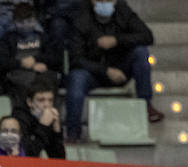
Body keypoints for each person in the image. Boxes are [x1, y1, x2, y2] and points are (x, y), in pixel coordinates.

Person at [64, 0, 162, 143]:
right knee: (76, 77)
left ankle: (146, 105)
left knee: (141, 52)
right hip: (93, 73)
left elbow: (147, 36)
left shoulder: (124, 12)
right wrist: (106, 71)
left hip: (121, 68)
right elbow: (76, 59)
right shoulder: (81, 18)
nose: (105, 3)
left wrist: (117, 40)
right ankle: (73, 132)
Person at [14, 78, 65, 158]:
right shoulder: (19, 118)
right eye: (41, 100)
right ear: (29, 102)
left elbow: (59, 160)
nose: (46, 105)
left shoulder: (49, 119)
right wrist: (43, 126)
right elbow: (27, 155)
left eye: (50, 100)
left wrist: (57, 131)